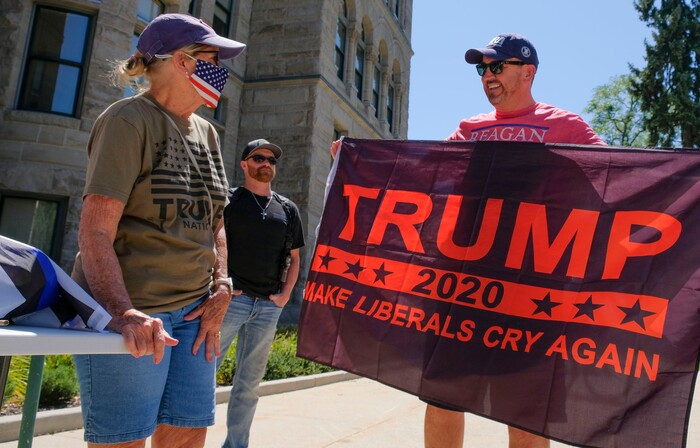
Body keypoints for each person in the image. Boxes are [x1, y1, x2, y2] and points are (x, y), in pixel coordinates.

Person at [330, 33, 605, 448]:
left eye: (497, 66)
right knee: (443, 397)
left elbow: (615, 176)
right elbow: (425, 174)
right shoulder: (469, 128)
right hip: (460, 286)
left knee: (526, 408)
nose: (487, 76)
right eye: (482, 69)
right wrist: (360, 161)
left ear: (527, 71)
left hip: (530, 292)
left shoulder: (565, 125)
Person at [71, 13, 245, 448]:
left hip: (195, 316)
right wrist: (122, 312)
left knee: (187, 436)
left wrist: (222, 284)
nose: (220, 70)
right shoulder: (126, 121)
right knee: (122, 441)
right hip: (135, 313)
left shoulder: (207, 132)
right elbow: (94, 233)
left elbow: (216, 222)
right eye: (212, 57)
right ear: (183, 62)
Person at [217, 139, 305, 448]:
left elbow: (295, 258)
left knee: (249, 385)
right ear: (244, 164)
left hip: (268, 306)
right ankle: (186, 440)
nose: (266, 163)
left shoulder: (287, 209)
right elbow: (211, 244)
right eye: (258, 158)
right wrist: (220, 285)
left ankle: (236, 445)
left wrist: (284, 296)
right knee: (201, 375)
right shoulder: (228, 200)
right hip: (231, 302)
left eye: (271, 160)